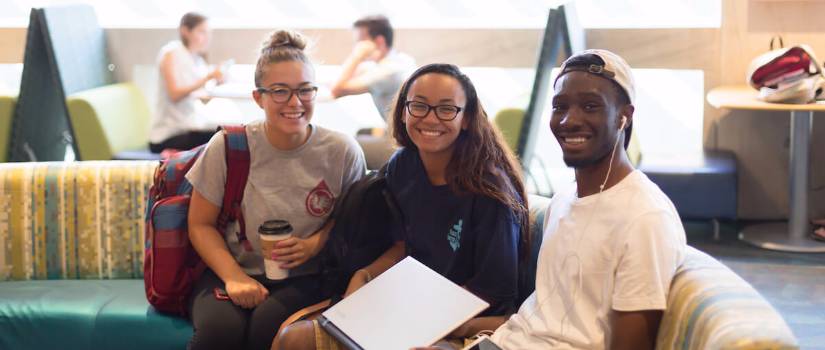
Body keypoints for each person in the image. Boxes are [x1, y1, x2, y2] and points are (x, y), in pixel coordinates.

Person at [414, 49, 688, 350]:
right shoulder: (565, 197)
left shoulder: (645, 217)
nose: (570, 120)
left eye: (591, 106)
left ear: (625, 115)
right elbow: (545, 320)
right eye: (560, 106)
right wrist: (458, 329)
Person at [273, 63, 529, 350]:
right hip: (405, 305)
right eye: (419, 106)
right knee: (292, 339)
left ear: (467, 118)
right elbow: (404, 246)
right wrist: (365, 276)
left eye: (446, 109)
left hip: (467, 323)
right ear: (404, 111)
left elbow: (495, 295)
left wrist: (425, 320)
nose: (431, 119)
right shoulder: (403, 166)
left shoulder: (490, 194)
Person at [185, 29, 367, 350]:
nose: (295, 103)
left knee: (268, 330)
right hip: (231, 268)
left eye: (305, 90)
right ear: (259, 97)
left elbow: (353, 224)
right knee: (217, 334)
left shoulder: (341, 151)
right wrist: (234, 277)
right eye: (280, 91)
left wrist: (315, 243)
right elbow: (199, 223)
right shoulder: (229, 146)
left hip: (308, 277)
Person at [149, 12, 227, 153]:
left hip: (188, 128)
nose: (207, 38)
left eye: (209, 33)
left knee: (226, 135)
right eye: (202, 32)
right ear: (185, 31)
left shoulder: (197, 60)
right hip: (167, 135)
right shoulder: (171, 53)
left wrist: (216, 83)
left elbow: (203, 100)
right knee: (221, 139)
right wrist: (207, 78)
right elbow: (174, 94)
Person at [330, 15, 416, 124]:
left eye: (360, 42)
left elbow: (336, 90)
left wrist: (357, 56)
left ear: (379, 41)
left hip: (401, 136)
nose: (357, 47)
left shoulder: (389, 71)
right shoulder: (402, 59)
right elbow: (342, 78)